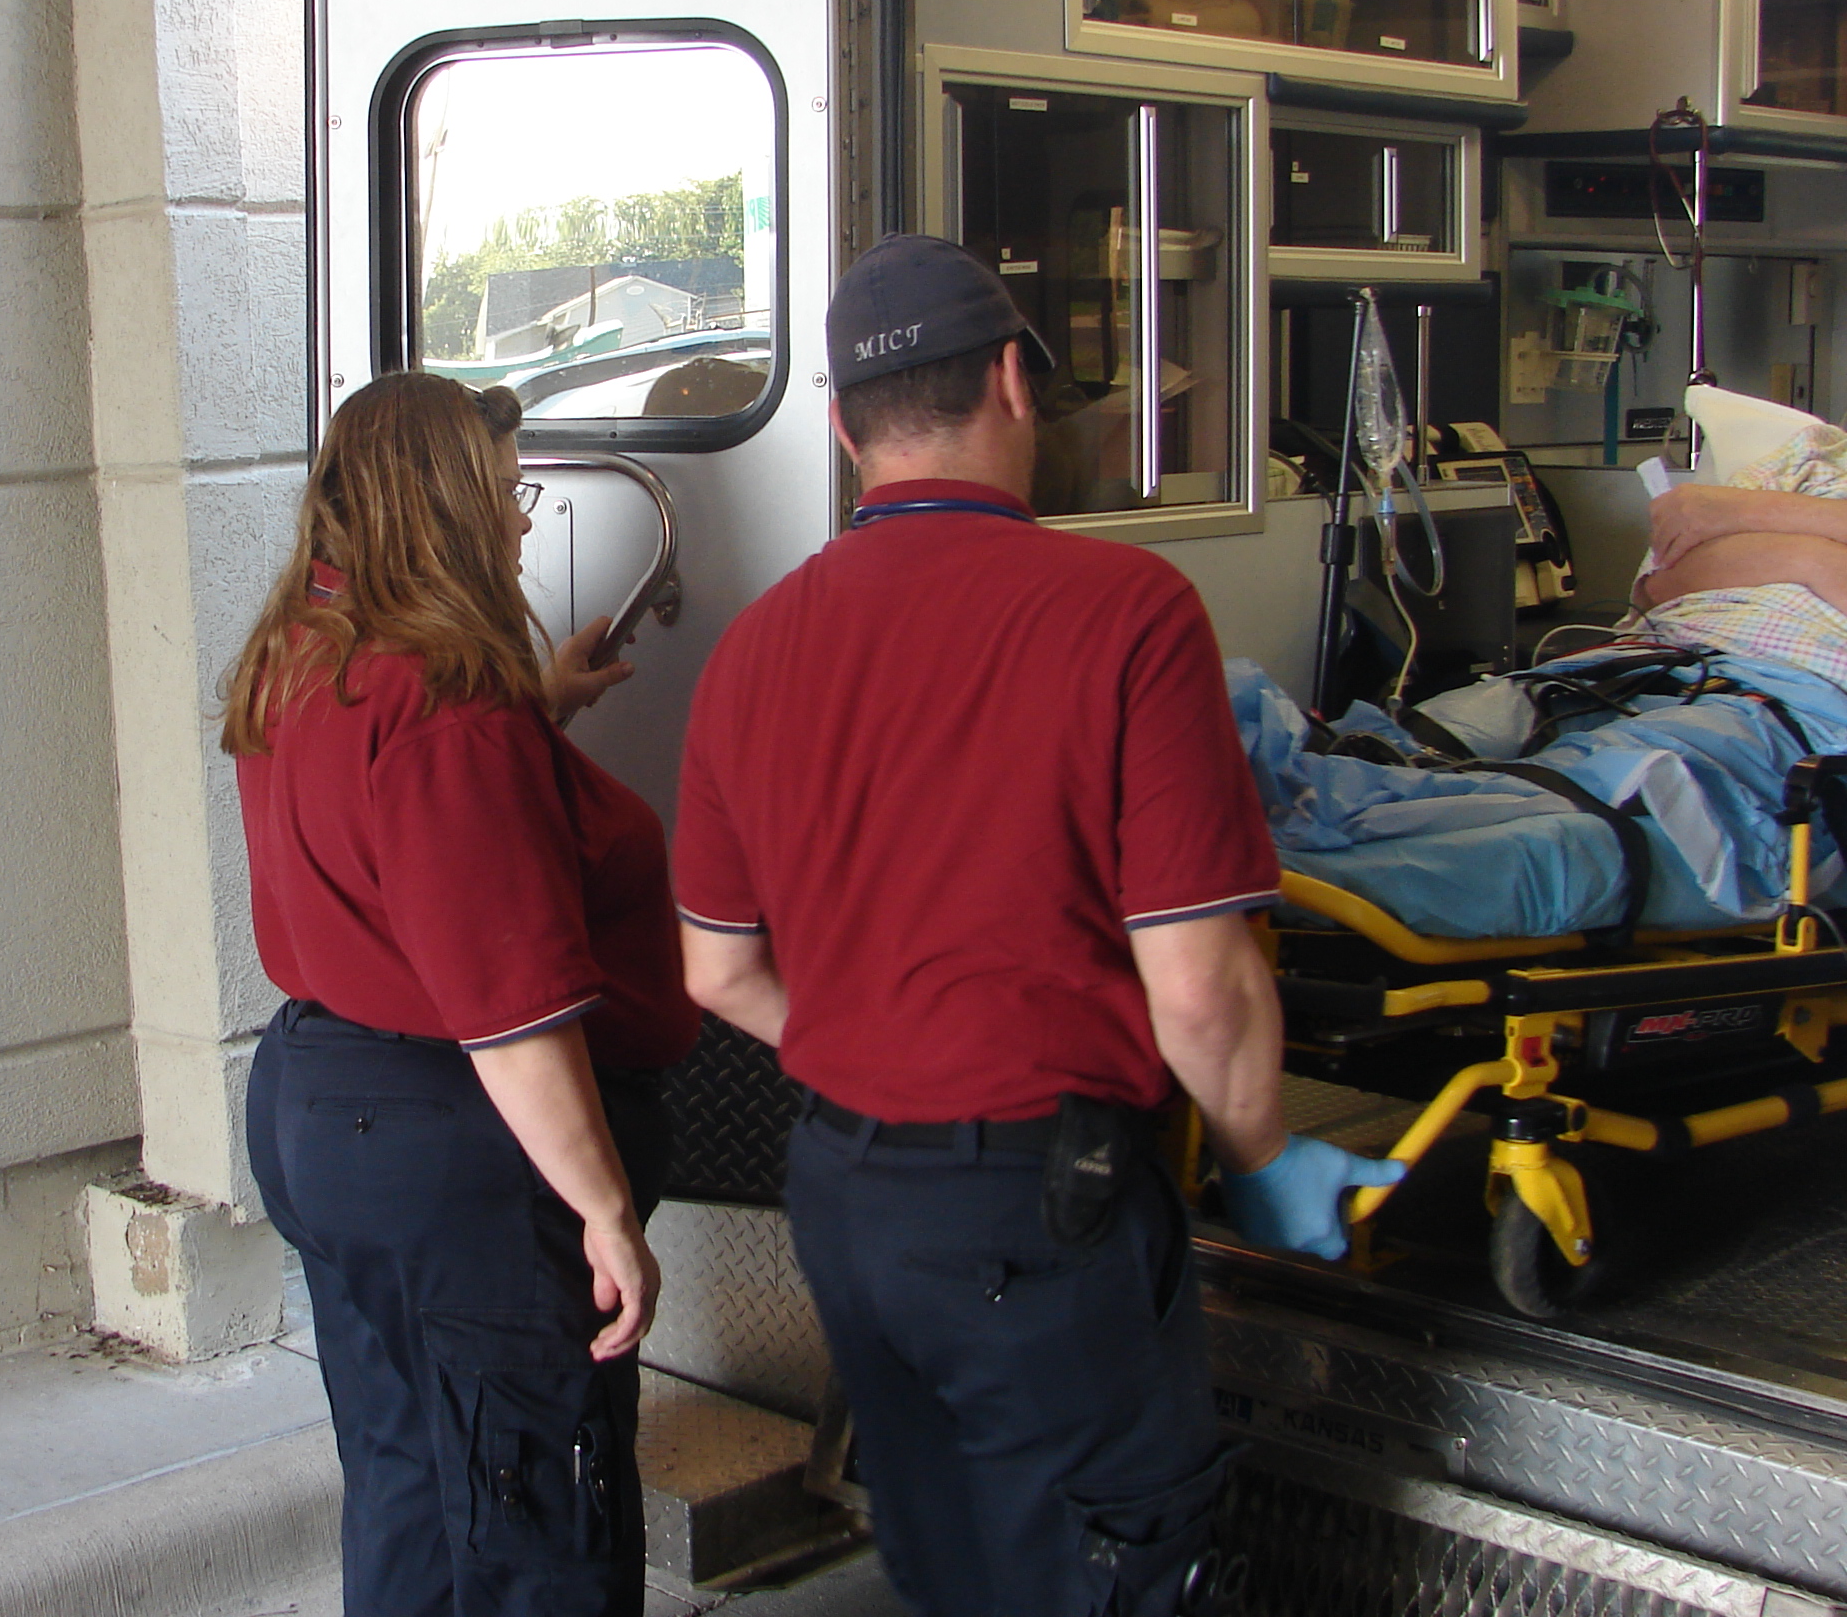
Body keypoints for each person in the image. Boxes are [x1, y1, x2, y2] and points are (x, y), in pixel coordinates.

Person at [674, 236, 1400, 1617]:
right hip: (1035, 1208)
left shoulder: (757, 645)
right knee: (1113, 1566)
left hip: (839, 1197)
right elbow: (1198, 988)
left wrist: (880, 1043)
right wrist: (1264, 1154)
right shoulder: (1125, 616)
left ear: (841, 425)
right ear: (1015, 379)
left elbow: (717, 969)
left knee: (946, 1560)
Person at [225, 372, 699, 1617]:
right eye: (506, 490)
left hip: (321, 1107)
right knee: (535, 1504)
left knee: (409, 1476)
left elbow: (388, 825)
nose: (523, 519)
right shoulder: (449, 711)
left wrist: (543, 707)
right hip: (455, 1150)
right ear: (439, 507)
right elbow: (510, 1014)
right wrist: (601, 1209)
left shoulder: (306, 649)